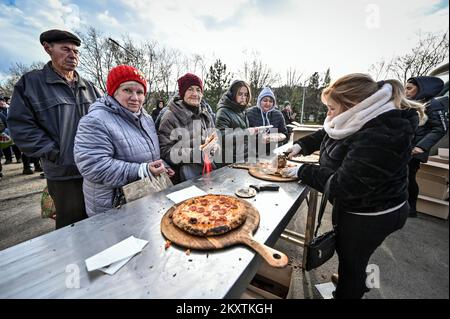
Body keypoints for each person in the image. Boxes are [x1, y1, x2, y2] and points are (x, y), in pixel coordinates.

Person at [281, 73, 425, 299]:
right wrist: (301, 145)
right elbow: (328, 132)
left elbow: (345, 185)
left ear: (353, 106)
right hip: (365, 209)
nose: (328, 113)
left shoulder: (381, 132)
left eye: (331, 108)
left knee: (352, 263)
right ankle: (359, 279)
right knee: (358, 258)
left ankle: (352, 289)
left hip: (372, 215)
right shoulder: (359, 117)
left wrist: (303, 170)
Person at [7, 29, 102, 229]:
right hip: (64, 173)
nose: (72, 55)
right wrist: (54, 153)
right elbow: (20, 127)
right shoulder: (31, 84)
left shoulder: (90, 87)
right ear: (48, 48)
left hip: (95, 169)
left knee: (100, 221)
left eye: (76, 52)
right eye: (66, 49)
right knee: (72, 226)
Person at [74, 65, 174, 216]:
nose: (135, 98)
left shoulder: (146, 119)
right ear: (114, 92)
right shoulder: (95, 120)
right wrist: (142, 170)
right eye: (127, 90)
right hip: (113, 206)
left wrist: (161, 166)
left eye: (140, 92)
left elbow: (148, 153)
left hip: (142, 199)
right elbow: (92, 165)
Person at [158, 73, 217, 182]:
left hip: (208, 169)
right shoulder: (169, 117)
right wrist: (195, 153)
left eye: (198, 90)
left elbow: (213, 137)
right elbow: (165, 152)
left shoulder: (205, 113)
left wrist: (213, 146)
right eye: (190, 89)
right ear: (182, 93)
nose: (195, 94)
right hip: (184, 177)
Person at [405, 76, 448, 217]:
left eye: (409, 88)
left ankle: (411, 208)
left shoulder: (433, 104)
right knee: (400, 177)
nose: (406, 91)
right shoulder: (412, 103)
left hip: (415, 149)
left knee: (409, 178)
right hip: (405, 147)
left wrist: (421, 147)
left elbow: (440, 128)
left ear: (421, 89)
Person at [215, 80, 262, 164]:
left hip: (244, 158)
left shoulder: (241, 110)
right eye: (240, 94)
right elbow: (222, 138)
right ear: (232, 94)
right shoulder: (223, 112)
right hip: (229, 162)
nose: (243, 97)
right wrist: (247, 132)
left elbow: (244, 137)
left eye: (246, 94)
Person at [247, 87, 288, 155]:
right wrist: (259, 139)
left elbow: (285, 134)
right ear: (260, 101)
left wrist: (274, 138)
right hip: (252, 152)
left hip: (273, 152)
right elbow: (244, 134)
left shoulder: (278, 114)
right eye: (265, 100)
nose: (268, 103)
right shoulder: (250, 113)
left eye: (271, 101)